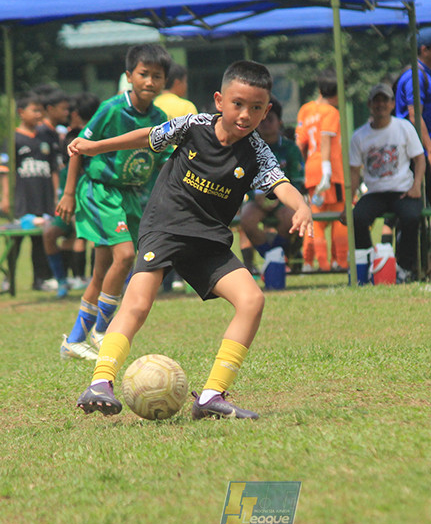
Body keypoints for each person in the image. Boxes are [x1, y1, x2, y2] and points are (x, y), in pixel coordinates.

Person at [69, 60, 312, 420]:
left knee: (251, 300)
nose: (245, 115)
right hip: (166, 225)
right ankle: (100, 382)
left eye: (256, 108)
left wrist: (302, 206)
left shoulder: (258, 152)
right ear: (219, 100)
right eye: (238, 104)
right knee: (138, 303)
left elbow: (281, 183)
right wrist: (95, 147)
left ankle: (211, 396)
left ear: (267, 111)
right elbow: (147, 136)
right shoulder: (194, 125)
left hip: (209, 239)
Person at [57, 43, 172, 361]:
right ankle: (102, 331)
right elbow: (78, 147)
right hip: (101, 192)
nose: (150, 82)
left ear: (165, 81)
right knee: (124, 257)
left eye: (157, 76)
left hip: (131, 196)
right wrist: (68, 193)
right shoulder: (111, 109)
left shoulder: (160, 118)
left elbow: (168, 159)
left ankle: (75, 339)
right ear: (129, 76)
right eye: (143, 74)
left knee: (103, 269)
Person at [349, 83, 425, 281]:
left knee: (411, 217)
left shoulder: (404, 127)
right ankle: (367, 262)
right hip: (375, 192)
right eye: (376, 100)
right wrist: (348, 202)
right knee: (357, 218)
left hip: (402, 189)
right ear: (369, 105)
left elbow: (419, 159)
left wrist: (416, 186)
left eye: (385, 100)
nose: (380, 104)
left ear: (392, 104)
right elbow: (354, 172)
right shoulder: (359, 136)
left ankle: (405, 267)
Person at [238, 97, 305, 273]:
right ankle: (271, 256)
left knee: (290, 219)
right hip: (258, 201)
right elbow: (244, 180)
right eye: (262, 119)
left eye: (270, 119)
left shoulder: (290, 149)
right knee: (246, 218)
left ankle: (280, 255)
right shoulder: (250, 147)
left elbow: (298, 181)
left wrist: (280, 199)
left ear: (280, 122)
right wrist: (256, 197)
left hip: (284, 201)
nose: (265, 123)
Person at [0, 92, 56, 291]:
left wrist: (56, 195)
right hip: (23, 199)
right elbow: (5, 171)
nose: (39, 115)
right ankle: (8, 278)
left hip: (43, 197)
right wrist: (6, 197)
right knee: (16, 239)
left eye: (41, 111)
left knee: (40, 240)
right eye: (35, 110)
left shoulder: (45, 137)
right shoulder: (13, 139)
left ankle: (40, 279)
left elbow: (54, 170)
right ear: (21, 112)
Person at [44, 92, 100, 297]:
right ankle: (62, 281)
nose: (68, 114)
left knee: (92, 238)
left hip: (87, 202)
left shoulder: (94, 138)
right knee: (49, 235)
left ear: (76, 114)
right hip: (67, 203)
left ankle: (94, 281)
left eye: (70, 111)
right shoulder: (70, 135)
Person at [295, 69, 347, 272]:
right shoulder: (332, 112)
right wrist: (326, 169)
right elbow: (325, 138)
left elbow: (300, 144)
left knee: (314, 218)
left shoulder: (305, 110)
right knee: (339, 217)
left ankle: (310, 262)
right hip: (331, 172)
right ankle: (338, 261)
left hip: (311, 172)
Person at [394, 26, 431, 206]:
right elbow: (414, 116)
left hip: (425, 152)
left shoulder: (424, 74)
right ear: (424, 49)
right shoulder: (415, 76)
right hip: (419, 155)